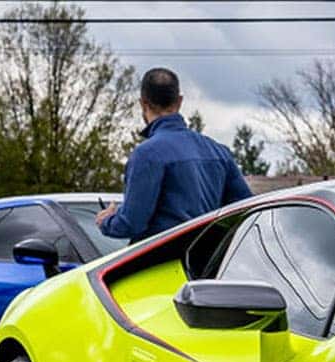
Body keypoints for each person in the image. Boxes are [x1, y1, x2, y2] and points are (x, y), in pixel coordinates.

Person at [96, 68, 252, 242]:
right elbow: (246, 210)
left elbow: (132, 223)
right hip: (208, 257)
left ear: (143, 103)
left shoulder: (146, 155)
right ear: (179, 101)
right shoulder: (219, 152)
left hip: (163, 256)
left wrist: (107, 221)